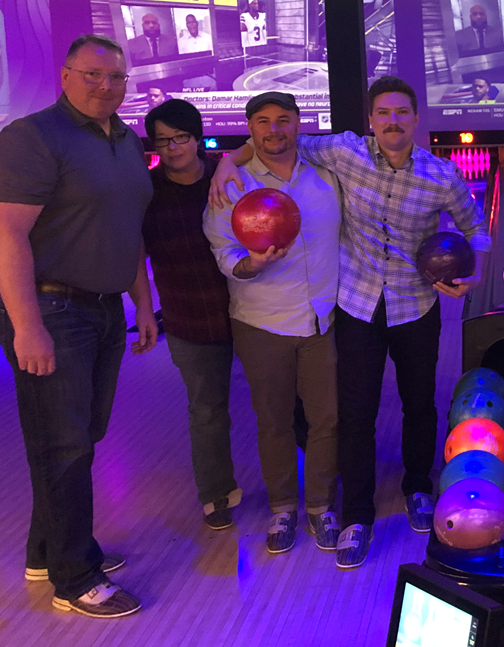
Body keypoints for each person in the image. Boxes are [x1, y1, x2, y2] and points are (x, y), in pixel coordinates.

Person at [209, 76, 490, 568]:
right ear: (371, 120)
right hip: (358, 304)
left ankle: (418, 487)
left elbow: (476, 227)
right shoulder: (344, 152)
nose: (393, 121)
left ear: (416, 118)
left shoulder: (441, 175)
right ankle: (357, 513)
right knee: (355, 413)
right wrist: (227, 160)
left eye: (402, 112)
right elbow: (277, 137)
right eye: (383, 113)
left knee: (419, 402)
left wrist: (474, 273)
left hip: (414, 305)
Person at [0, 34, 156, 618]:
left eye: (116, 77)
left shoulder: (123, 138)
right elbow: (7, 235)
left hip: (104, 306)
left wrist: (142, 302)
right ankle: (75, 578)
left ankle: (49, 552)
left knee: (77, 438)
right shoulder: (32, 136)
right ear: (66, 76)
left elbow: (127, 227)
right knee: (63, 444)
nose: (105, 86)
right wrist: (27, 326)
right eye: (92, 74)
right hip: (54, 310)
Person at [203, 91, 341, 557]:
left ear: (299, 123)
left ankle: (321, 506)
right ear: (251, 128)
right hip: (262, 322)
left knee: (326, 419)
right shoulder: (233, 185)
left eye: (284, 120)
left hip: (322, 318)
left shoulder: (328, 175)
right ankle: (284, 506)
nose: (274, 129)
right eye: (262, 121)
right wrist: (252, 266)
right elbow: (224, 252)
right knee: (274, 421)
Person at [142, 99, 241, 531]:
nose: (173, 147)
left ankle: (315, 484)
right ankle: (215, 494)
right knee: (206, 409)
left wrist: (229, 161)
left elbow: (260, 147)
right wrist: (145, 311)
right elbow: (134, 257)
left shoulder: (228, 171)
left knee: (285, 402)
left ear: (197, 137)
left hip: (248, 310)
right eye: (163, 140)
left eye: (180, 137)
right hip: (187, 317)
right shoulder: (146, 192)